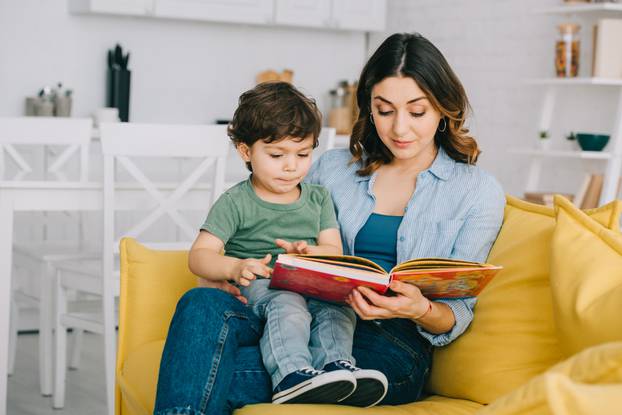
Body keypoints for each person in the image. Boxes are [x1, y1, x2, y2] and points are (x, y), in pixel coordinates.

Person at [154, 32, 505, 415]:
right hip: (296, 313)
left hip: (388, 342)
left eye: (417, 112)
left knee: (205, 370)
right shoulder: (333, 169)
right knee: (200, 302)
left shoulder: (476, 191)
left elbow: (458, 311)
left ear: (442, 108)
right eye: (385, 110)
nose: (400, 128)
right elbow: (276, 225)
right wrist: (229, 271)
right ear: (368, 108)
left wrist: (418, 308)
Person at [170, 81, 388, 408]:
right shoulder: (236, 201)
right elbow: (199, 255)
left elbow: (334, 252)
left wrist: (313, 253)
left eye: (303, 154)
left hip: (311, 285)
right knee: (286, 302)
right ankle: (292, 374)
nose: (291, 166)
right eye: (276, 155)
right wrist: (234, 266)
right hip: (263, 288)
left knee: (338, 308)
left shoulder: (317, 198)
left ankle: (337, 368)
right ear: (246, 151)